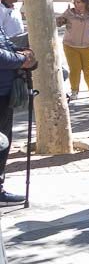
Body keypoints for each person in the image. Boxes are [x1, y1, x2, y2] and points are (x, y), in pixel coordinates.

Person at [0, 29, 35, 202]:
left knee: (3, 143)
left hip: (5, 94)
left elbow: (7, 45)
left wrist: (24, 53)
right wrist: (22, 60)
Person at [58, 0, 89, 99]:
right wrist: (61, 19)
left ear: (85, 3)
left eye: (78, 2)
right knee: (74, 69)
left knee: (88, 70)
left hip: (88, 46)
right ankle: (74, 91)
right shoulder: (69, 12)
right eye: (74, 2)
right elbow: (59, 23)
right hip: (70, 46)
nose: (75, 4)